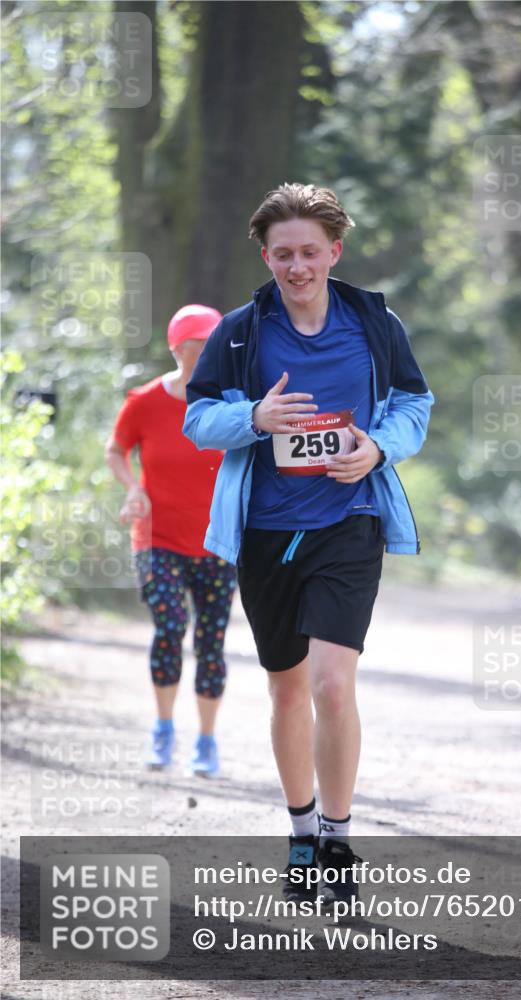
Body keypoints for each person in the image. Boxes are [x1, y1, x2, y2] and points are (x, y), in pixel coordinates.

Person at [184, 184, 433, 899]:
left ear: (334, 253)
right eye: (283, 254)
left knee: (332, 681)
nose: (297, 267)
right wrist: (254, 417)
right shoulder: (240, 331)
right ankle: (298, 835)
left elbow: (415, 401)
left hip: (348, 521)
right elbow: (198, 419)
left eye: (309, 253)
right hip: (265, 530)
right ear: (266, 256)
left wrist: (378, 450)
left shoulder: (373, 322)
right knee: (288, 689)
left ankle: (336, 839)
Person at [106, 305, 236, 778]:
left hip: (218, 543)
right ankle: (163, 729)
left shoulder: (230, 403)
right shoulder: (144, 401)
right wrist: (133, 489)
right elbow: (116, 449)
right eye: (202, 346)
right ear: (178, 348)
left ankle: (206, 740)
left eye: (216, 345)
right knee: (169, 623)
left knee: (211, 641)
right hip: (157, 537)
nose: (210, 354)